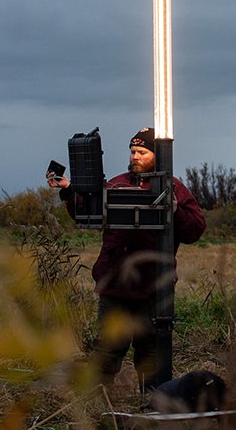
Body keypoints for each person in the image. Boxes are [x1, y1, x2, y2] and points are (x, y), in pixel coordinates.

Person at [47, 127, 206, 389]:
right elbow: (87, 211)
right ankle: (99, 408)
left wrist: (175, 210)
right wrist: (68, 189)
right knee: (107, 350)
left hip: (153, 287)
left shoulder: (173, 188)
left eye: (142, 152)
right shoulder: (116, 184)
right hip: (115, 286)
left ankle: (153, 406)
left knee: (151, 352)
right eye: (133, 151)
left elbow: (196, 229)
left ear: (157, 155)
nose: (135, 156)